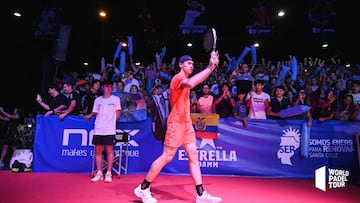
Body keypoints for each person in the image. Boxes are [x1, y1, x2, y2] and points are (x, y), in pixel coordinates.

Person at [133, 52, 222, 203]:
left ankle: (201, 195)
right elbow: (191, 84)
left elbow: (193, 82)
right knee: (166, 157)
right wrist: (210, 67)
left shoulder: (185, 78)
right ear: (181, 65)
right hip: (176, 123)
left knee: (193, 156)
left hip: (186, 124)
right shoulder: (178, 78)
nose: (191, 65)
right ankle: (143, 188)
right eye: (188, 63)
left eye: (193, 63)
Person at [84, 80, 121, 183]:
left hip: (110, 129)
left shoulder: (116, 99)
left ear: (111, 88)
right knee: (98, 151)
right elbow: (96, 113)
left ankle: (108, 173)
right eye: (106, 86)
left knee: (109, 151)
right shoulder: (98, 100)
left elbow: (118, 114)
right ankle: (99, 173)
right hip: (98, 129)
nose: (108, 88)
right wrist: (101, 123)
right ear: (103, 88)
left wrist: (110, 123)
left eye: (110, 86)